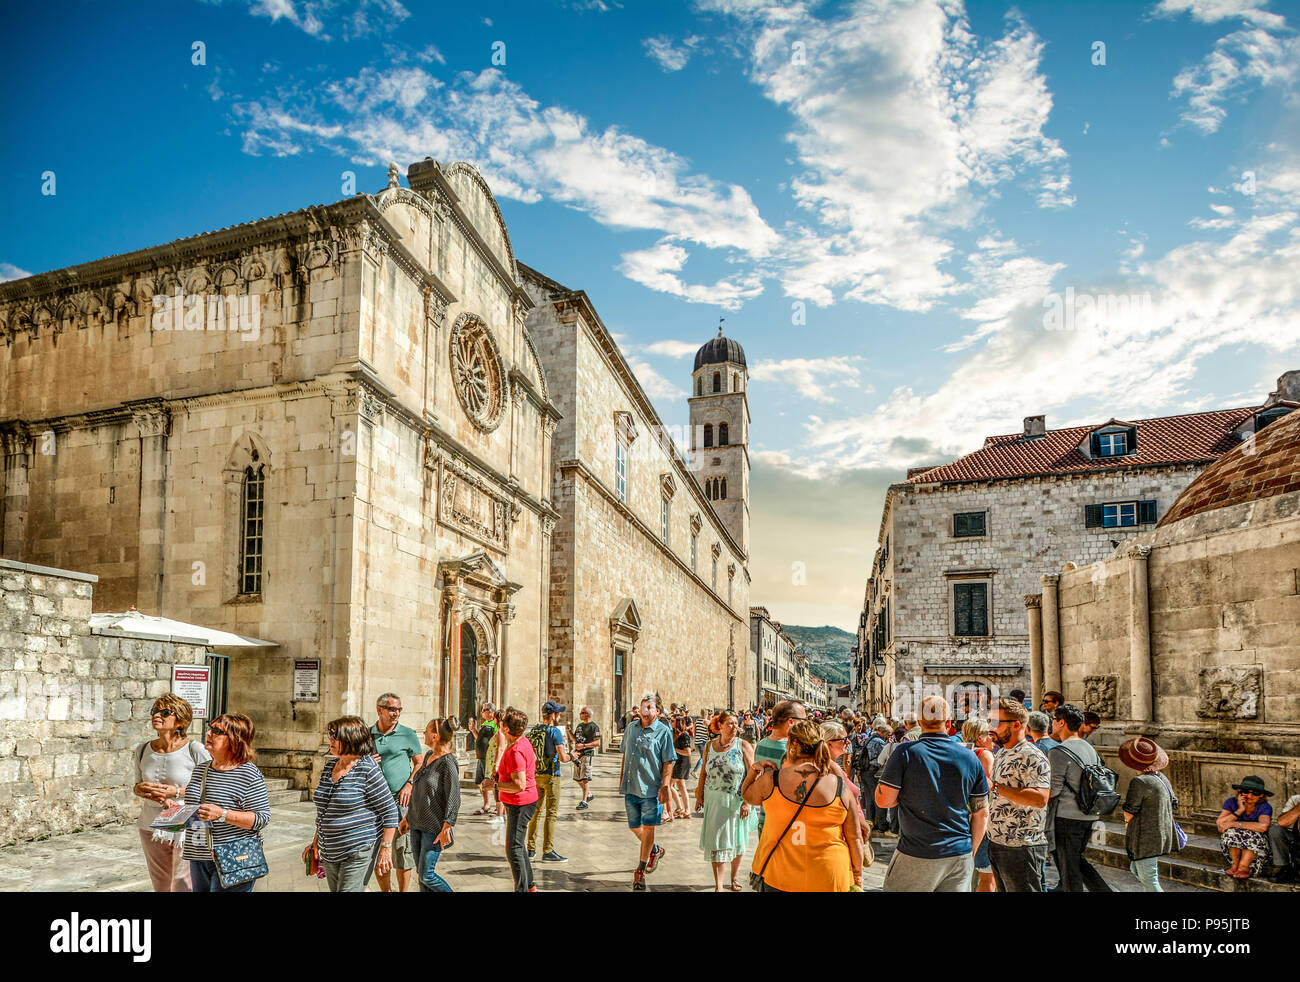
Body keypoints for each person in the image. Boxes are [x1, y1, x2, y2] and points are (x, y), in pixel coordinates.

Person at [875, 695, 988, 892]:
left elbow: (884, 801)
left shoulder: (905, 753)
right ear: (950, 721)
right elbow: (982, 813)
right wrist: (971, 851)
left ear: (919, 722)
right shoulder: (970, 757)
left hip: (917, 852)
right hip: (959, 854)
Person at [743, 719, 863, 891]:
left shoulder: (771, 780)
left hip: (781, 874)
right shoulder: (839, 786)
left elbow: (748, 796)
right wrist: (857, 875)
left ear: (793, 743)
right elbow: (855, 837)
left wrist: (754, 769)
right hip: (830, 875)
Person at [303, 716, 397, 892]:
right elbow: (324, 811)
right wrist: (316, 842)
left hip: (358, 848)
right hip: (330, 850)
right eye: (330, 734)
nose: (330, 739)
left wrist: (385, 848)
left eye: (335, 736)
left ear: (351, 739)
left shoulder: (367, 769)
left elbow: (390, 811)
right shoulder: (329, 767)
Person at [181, 712, 271, 892]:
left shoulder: (248, 774)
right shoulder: (201, 770)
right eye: (210, 728)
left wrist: (222, 814)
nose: (208, 733)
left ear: (235, 740)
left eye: (217, 731)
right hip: (198, 854)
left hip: (233, 856)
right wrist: (177, 812)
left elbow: (262, 818)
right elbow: (196, 808)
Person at [133, 694, 211, 891]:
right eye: (154, 711)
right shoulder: (142, 749)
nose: (157, 715)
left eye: (165, 712)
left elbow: (210, 786)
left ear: (180, 721)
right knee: (160, 881)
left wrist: (176, 791)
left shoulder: (195, 749)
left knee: (182, 881)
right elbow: (136, 785)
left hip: (186, 819)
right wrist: (141, 790)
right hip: (150, 820)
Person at [986, 698, 1052, 892]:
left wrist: (995, 787)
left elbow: (1041, 798)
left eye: (996, 723)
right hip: (998, 841)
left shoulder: (1032, 755)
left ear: (1016, 725)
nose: (991, 727)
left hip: (1022, 846)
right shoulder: (1002, 753)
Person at [1047, 703, 1113, 892]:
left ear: (1061, 722)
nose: (1052, 724)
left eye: (1054, 720)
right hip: (1089, 813)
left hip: (1068, 816)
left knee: (1069, 868)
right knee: (1076, 860)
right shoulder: (1089, 748)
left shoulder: (1058, 752)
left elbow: (1053, 790)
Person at [619, 692, 678, 890]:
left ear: (658, 712)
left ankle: (640, 871)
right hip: (631, 787)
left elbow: (668, 761)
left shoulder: (663, 732)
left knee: (648, 828)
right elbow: (625, 754)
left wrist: (665, 786)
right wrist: (621, 781)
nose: (645, 710)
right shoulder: (630, 728)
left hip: (651, 790)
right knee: (634, 827)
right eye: (643, 706)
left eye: (650, 707)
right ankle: (655, 849)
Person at [695, 710, 756, 890]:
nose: (735, 726)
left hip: (737, 801)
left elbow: (753, 775)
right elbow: (704, 772)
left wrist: (747, 802)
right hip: (714, 801)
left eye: (736, 723)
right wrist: (699, 794)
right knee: (717, 842)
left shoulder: (743, 746)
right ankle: (719, 885)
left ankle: (734, 877)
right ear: (719, 726)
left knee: (737, 841)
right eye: (730, 723)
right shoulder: (709, 746)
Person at [370, 692, 424, 892]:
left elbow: (420, 763)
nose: (397, 713)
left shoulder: (407, 733)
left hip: (400, 801)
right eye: (392, 709)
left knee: (402, 850)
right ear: (379, 710)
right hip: (373, 803)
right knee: (379, 851)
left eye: (399, 709)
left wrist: (410, 784)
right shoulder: (367, 735)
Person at [403, 716, 461, 891]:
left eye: (427, 730)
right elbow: (419, 790)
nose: (424, 733)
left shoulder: (448, 763)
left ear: (435, 736)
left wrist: (447, 827)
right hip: (416, 823)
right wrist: (407, 817)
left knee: (427, 875)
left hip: (433, 827)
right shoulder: (428, 755)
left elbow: (454, 797)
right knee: (422, 878)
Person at [1118, 736, 1178, 892]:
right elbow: (1174, 803)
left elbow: (1130, 809)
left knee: (1149, 879)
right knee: (1137, 870)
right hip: (1161, 833)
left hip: (1145, 837)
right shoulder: (1161, 778)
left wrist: (1127, 824)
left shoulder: (1140, 782)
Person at [495, 708, 538, 892]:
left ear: (505, 728)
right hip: (524, 800)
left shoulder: (515, 751)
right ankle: (530, 886)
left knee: (513, 849)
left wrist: (495, 785)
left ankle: (521, 889)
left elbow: (519, 784)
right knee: (518, 846)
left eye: (502, 721)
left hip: (520, 802)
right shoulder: (522, 741)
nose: (499, 722)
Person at [526, 701, 572, 863]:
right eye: (558, 713)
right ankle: (548, 850)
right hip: (552, 776)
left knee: (535, 813)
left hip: (536, 775)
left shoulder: (535, 730)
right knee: (551, 814)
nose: (559, 715)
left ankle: (530, 849)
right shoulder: (554, 732)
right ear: (553, 716)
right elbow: (563, 757)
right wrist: (573, 756)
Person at [962, 716, 997, 892]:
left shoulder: (963, 753)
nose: (992, 738)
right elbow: (989, 786)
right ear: (979, 738)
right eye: (988, 734)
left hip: (964, 813)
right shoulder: (984, 754)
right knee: (988, 874)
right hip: (982, 814)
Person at [1217, 776, 1274, 879]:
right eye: (1246, 791)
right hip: (1237, 846)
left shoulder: (1265, 807)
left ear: (1261, 795)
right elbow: (1220, 824)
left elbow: (1263, 827)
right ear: (1240, 792)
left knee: (1250, 835)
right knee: (1231, 833)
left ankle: (1244, 867)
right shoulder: (1231, 802)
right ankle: (1235, 865)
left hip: (1257, 848)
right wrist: (1239, 811)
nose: (1250, 796)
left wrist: (1235, 824)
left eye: (1255, 793)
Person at [470, 703, 497, 815]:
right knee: (481, 782)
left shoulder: (495, 724)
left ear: (491, 711)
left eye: (484, 710)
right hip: (481, 757)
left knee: (493, 782)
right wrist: (473, 730)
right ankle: (486, 805)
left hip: (489, 758)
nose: (481, 712)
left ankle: (498, 806)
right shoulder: (485, 724)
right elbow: (479, 738)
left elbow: (498, 741)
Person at [572, 706, 601, 810]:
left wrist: (584, 746)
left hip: (587, 754)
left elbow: (597, 742)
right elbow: (576, 739)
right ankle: (588, 794)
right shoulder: (579, 726)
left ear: (587, 715)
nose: (580, 714)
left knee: (584, 779)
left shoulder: (594, 727)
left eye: (582, 712)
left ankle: (584, 801)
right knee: (577, 778)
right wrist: (568, 732)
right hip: (577, 754)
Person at [1268, 791, 1300, 884]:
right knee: (1275, 830)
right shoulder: (1296, 799)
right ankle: (1285, 869)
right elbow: (1282, 822)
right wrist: (1298, 808)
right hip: (1297, 842)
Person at [670, 716, 694, 819]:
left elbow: (688, 752)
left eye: (672, 721)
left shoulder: (684, 735)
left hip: (683, 762)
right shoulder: (675, 734)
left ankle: (680, 807)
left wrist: (674, 749)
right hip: (678, 761)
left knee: (669, 785)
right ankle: (686, 810)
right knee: (681, 786)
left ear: (678, 722)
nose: (670, 722)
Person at [691, 710, 709, 778]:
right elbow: (708, 732)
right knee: (703, 758)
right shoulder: (706, 722)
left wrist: (696, 738)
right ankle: (695, 771)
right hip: (703, 741)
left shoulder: (697, 721)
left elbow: (694, 731)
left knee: (704, 757)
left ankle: (704, 772)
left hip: (697, 741)